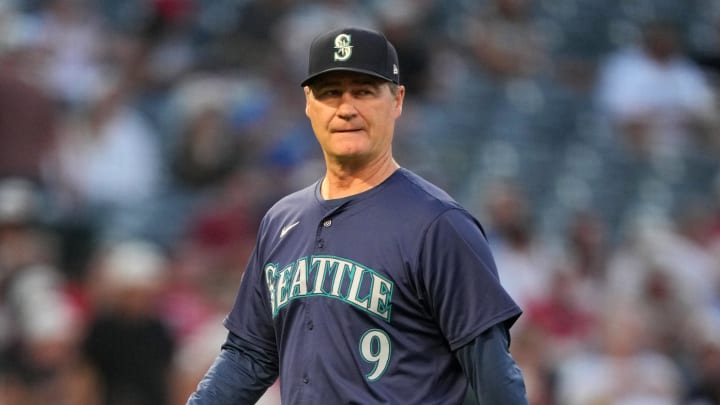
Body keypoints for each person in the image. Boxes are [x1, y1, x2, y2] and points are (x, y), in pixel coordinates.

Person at [186, 26, 528, 404]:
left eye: (363, 91)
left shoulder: (438, 224)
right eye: (331, 92)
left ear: (397, 100)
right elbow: (249, 355)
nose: (346, 108)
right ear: (309, 103)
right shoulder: (281, 220)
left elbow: (495, 379)